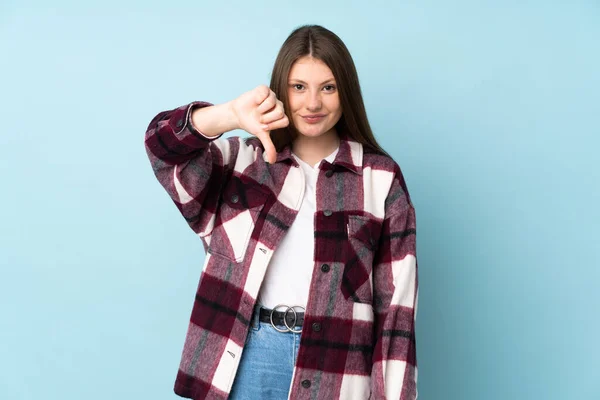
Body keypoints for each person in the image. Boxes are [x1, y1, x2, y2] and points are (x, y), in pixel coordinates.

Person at [144, 24, 418, 400]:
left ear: (346, 92)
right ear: (281, 90)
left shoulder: (380, 179)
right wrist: (229, 115)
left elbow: (396, 313)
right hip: (246, 357)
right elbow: (162, 149)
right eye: (299, 87)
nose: (312, 104)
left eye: (328, 87)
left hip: (337, 370)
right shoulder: (242, 163)